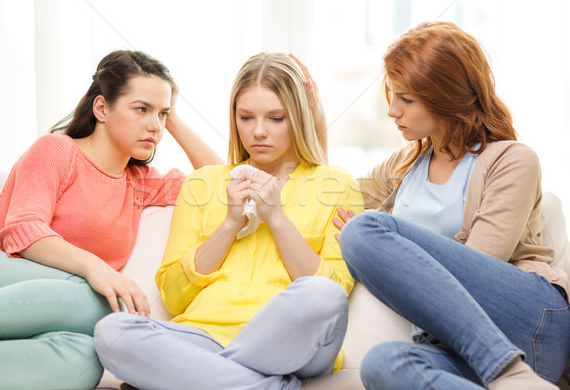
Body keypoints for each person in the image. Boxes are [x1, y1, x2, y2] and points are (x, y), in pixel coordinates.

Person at [93, 52, 364, 389]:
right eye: (246, 117)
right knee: (112, 333)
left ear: (298, 116)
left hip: (292, 341)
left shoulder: (336, 185)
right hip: (203, 336)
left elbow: (335, 291)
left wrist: (276, 218)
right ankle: (264, 383)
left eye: (276, 118)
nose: (259, 132)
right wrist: (228, 225)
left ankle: (198, 378)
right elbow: (173, 296)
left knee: (324, 294)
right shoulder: (203, 183)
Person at [331, 22, 570, 389]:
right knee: (382, 365)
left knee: (362, 231)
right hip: (455, 348)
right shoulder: (404, 166)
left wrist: (376, 241)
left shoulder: (512, 160)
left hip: (531, 323)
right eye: (391, 95)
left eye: (406, 99)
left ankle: (511, 373)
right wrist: (310, 120)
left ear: (447, 96)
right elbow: (329, 191)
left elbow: (480, 266)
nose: (393, 111)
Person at [0, 50, 222, 389]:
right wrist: (97, 269)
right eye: (142, 109)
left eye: (161, 114)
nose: (155, 125)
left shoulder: (140, 183)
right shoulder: (57, 150)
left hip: (51, 304)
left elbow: (221, 183)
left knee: (86, 357)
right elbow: (22, 230)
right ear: (102, 108)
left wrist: (172, 115)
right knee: (110, 306)